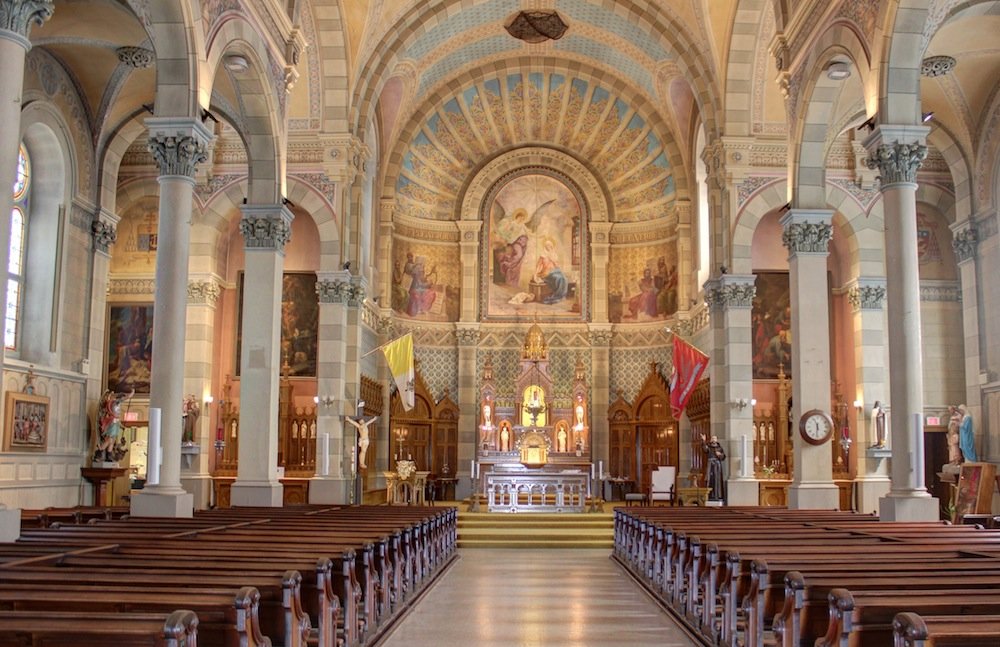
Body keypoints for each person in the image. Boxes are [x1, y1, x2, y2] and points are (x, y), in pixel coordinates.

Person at [94, 389, 133, 463]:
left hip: (115, 422)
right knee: (109, 439)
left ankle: (109, 455)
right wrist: (131, 393)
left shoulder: (116, 404)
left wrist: (121, 426)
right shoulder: (115, 402)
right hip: (112, 423)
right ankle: (99, 451)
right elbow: (126, 397)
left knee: (112, 440)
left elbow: (117, 418)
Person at [533, 236, 568, 304]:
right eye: (547, 245)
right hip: (547, 274)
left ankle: (561, 295)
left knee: (564, 278)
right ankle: (557, 296)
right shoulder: (542, 255)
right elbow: (538, 266)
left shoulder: (554, 255)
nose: (549, 246)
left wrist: (553, 260)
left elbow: (557, 266)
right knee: (559, 278)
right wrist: (535, 275)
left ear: (552, 246)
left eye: (550, 245)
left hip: (556, 271)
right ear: (545, 246)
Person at [700, 433, 726, 501]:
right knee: (710, 479)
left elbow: (723, 457)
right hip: (711, 465)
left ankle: (718, 495)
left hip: (717, 466)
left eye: (715, 438)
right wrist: (703, 441)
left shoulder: (719, 448)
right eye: (712, 438)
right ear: (711, 440)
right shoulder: (709, 447)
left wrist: (720, 455)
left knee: (717, 480)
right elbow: (705, 449)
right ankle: (710, 496)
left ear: (717, 440)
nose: (714, 440)